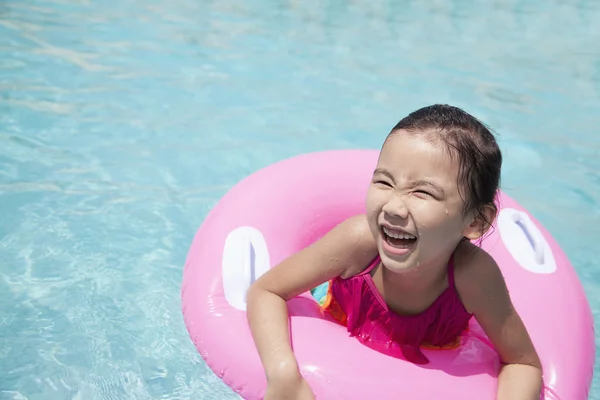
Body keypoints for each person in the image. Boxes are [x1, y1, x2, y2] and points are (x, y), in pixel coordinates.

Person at [246, 104, 543, 400]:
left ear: (475, 222)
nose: (394, 207)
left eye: (423, 192)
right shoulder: (358, 244)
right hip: (333, 347)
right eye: (384, 182)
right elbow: (267, 291)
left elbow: (522, 362)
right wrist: (283, 374)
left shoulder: (474, 276)